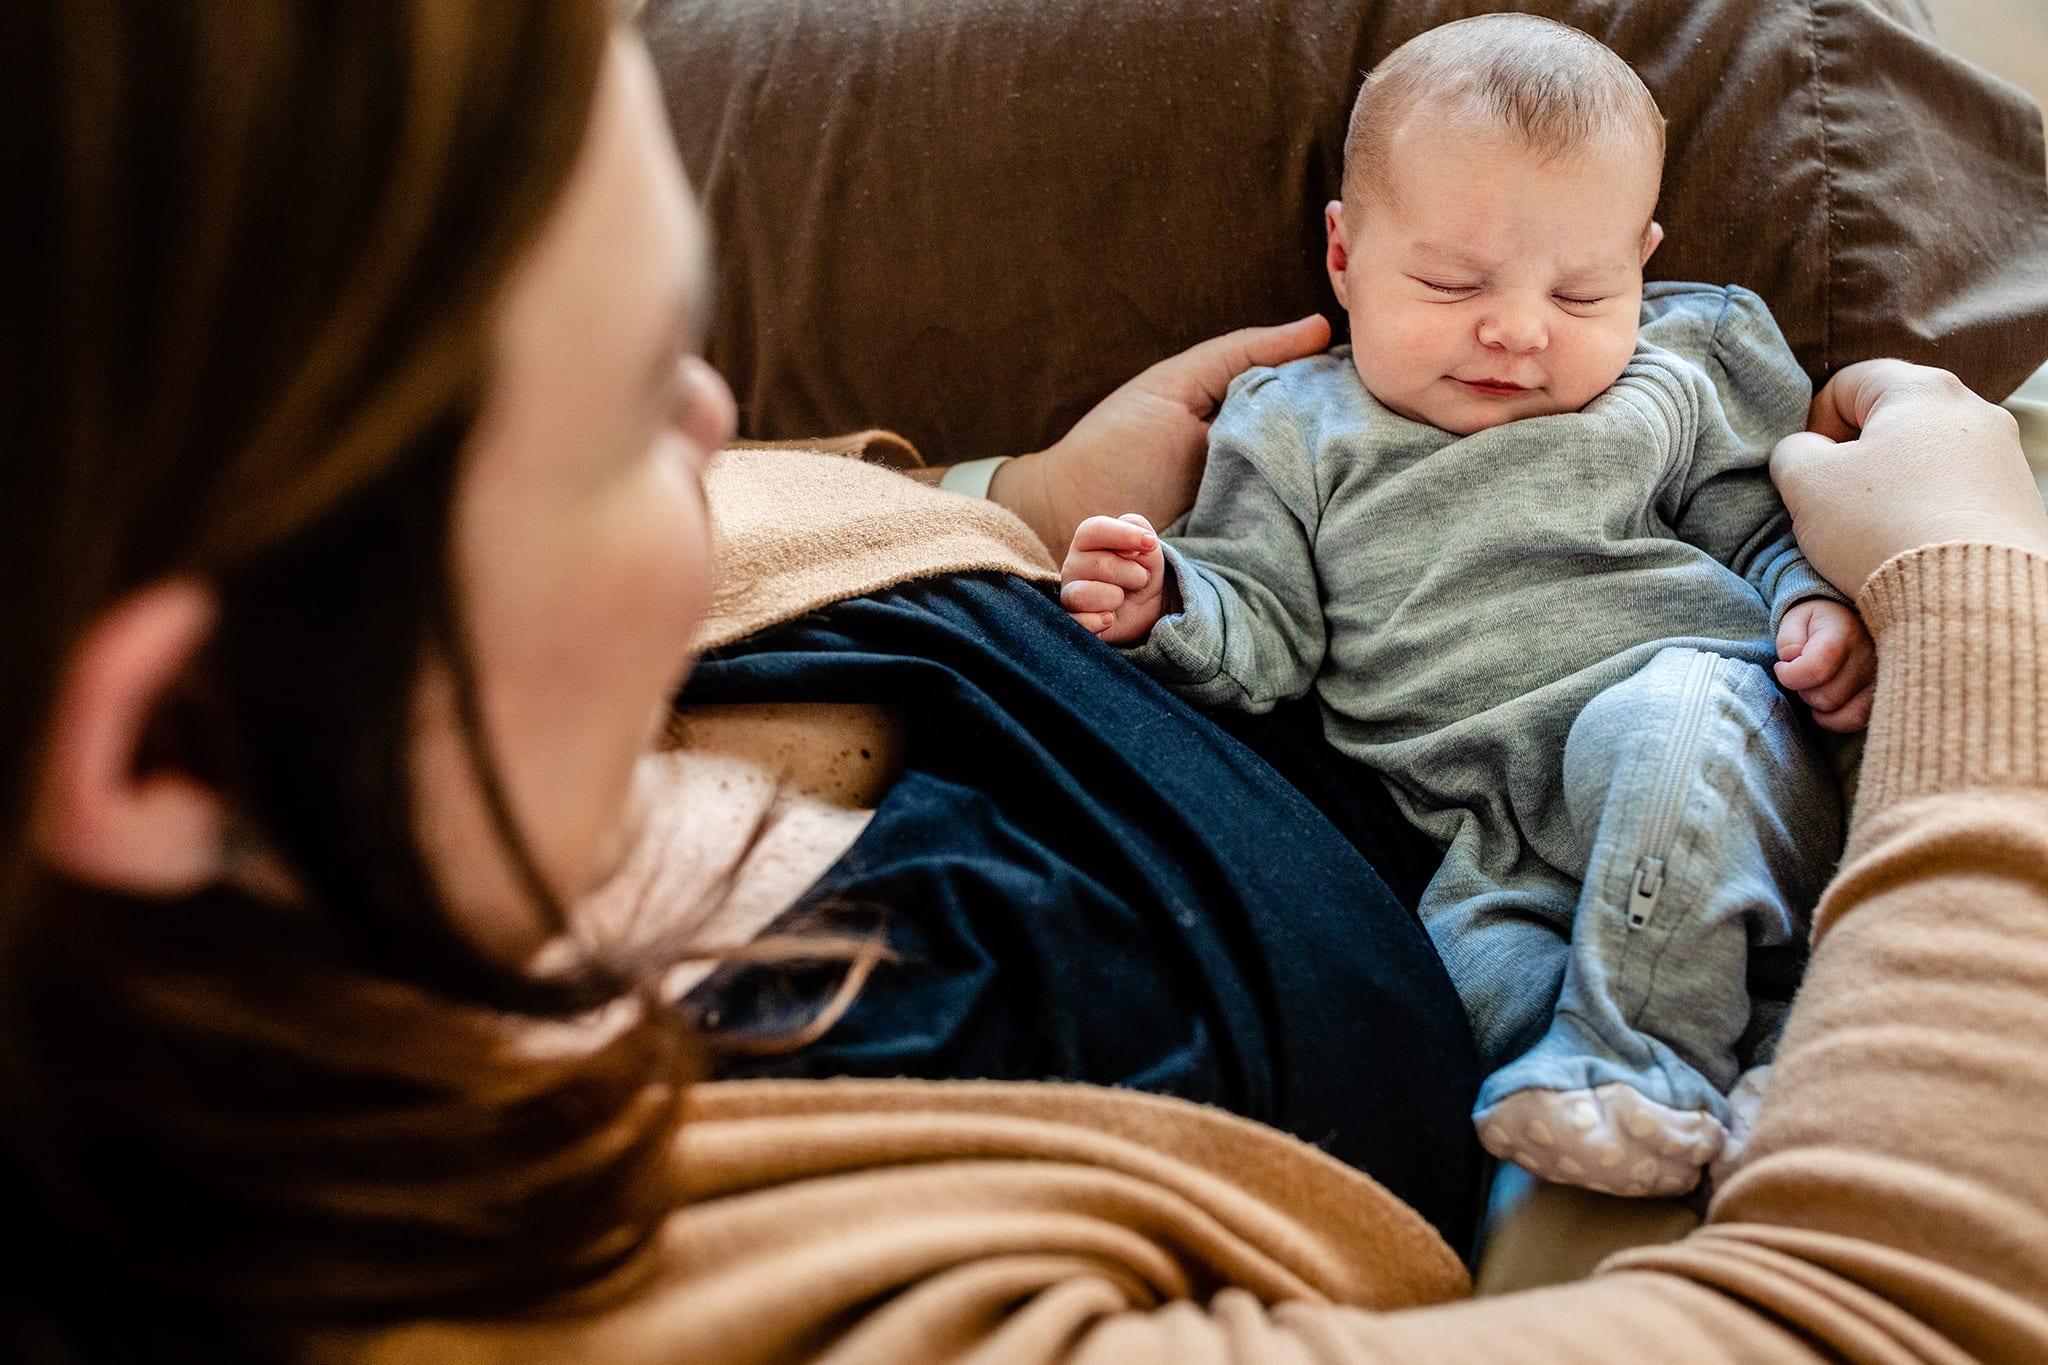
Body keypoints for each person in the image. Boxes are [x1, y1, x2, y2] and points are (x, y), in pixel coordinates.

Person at [10, 4, 2048, 1361]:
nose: (734, 428)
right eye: (634, 400)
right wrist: (1976, 603)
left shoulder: (391, 660)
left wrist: (1008, 499)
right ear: (185, 742)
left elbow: (789, 490)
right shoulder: (733, 1299)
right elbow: (1871, 1312)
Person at [1060, 14, 1872, 1196]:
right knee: (1466, 991)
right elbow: (1266, 637)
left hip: (1712, 737)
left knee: (1655, 726)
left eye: (1583, 292)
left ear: (1641, 265)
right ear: (1343, 257)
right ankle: (1715, 1087)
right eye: (1448, 282)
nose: (1515, 328)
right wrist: (1166, 598)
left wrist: (1813, 608)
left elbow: (1766, 523)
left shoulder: (1679, 371)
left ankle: (1640, 1067)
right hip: (1477, 841)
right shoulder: (1290, 426)